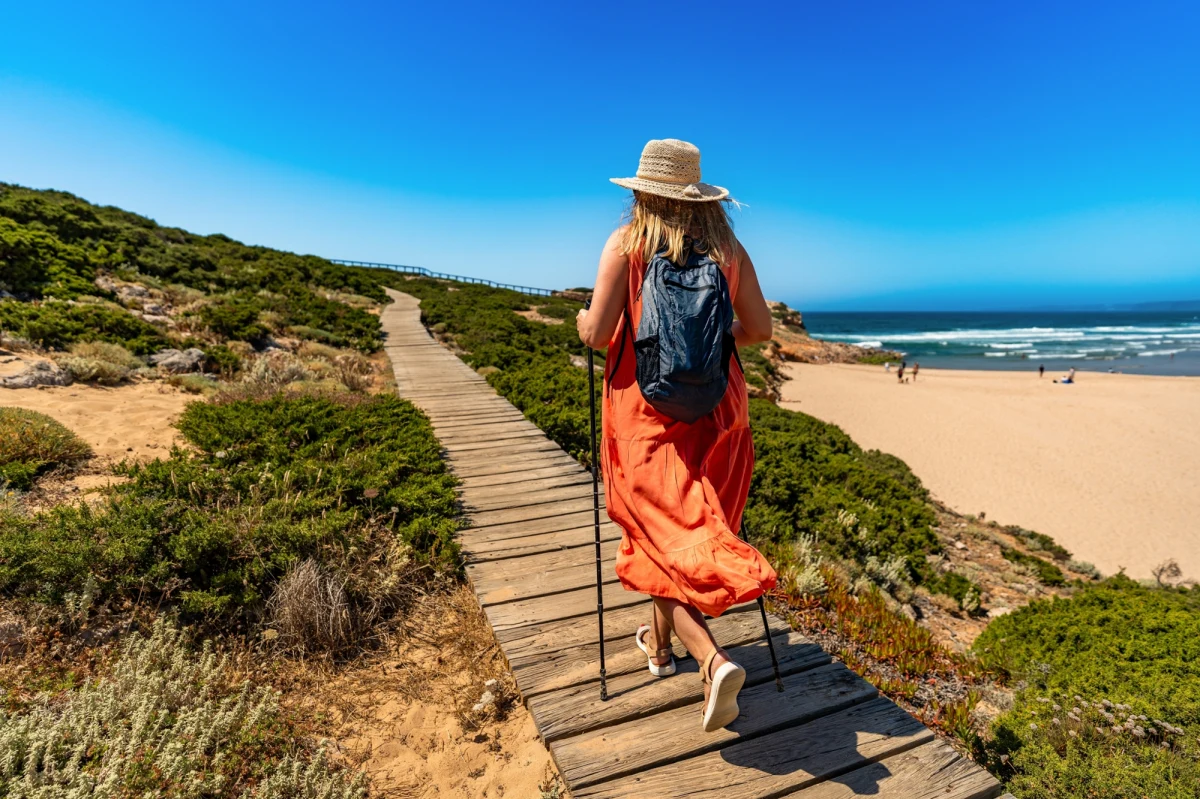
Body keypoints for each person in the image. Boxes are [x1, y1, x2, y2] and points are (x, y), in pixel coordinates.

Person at [576, 139, 777, 732]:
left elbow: (598, 334)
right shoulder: (727, 249)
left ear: (642, 193)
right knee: (680, 536)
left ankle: (711, 661)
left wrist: (587, 321)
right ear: (701, 198)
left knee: (652, 537)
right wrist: (709, 337)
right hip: (719, 410)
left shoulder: (627, 245)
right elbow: (760, 330)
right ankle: (660, 650)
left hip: (645, 417)